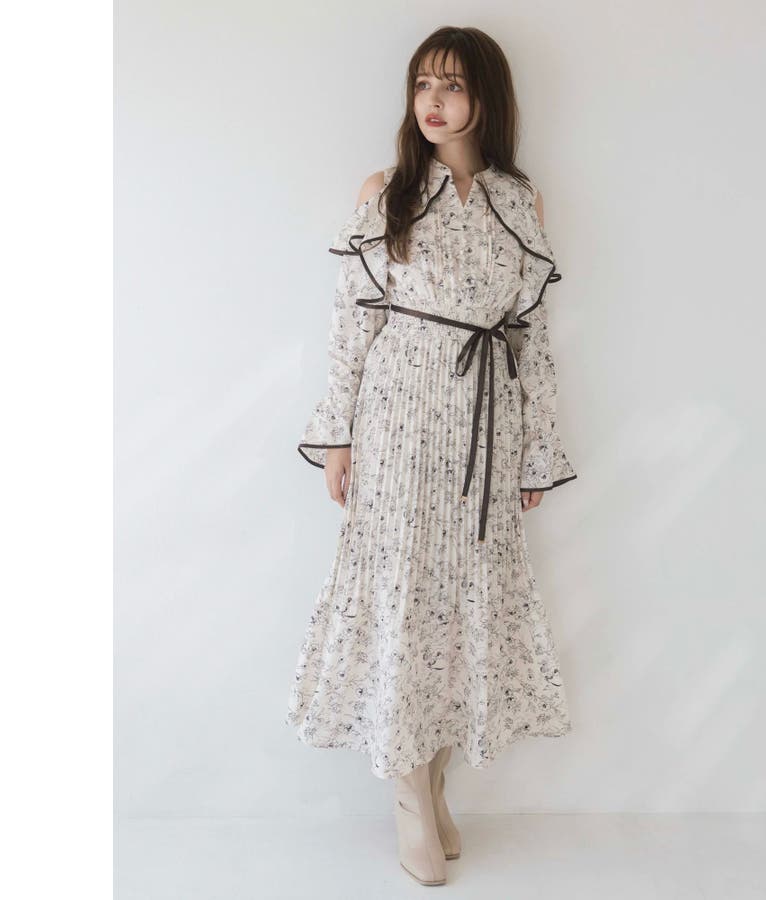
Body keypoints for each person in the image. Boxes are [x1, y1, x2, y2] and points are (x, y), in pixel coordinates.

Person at [285, 26, 578, 886]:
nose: (434, 101)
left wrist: (535, 451)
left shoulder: (518, 200)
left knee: (460, 608)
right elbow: (353, 322)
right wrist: (338, 435)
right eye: (423, 84)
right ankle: (408, 798)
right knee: (402, 600)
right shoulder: (388, 193)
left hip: (484, 424)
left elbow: (531, 337)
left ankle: (435, 780)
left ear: (487, 96)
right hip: (400, 415)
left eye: (451, 85)